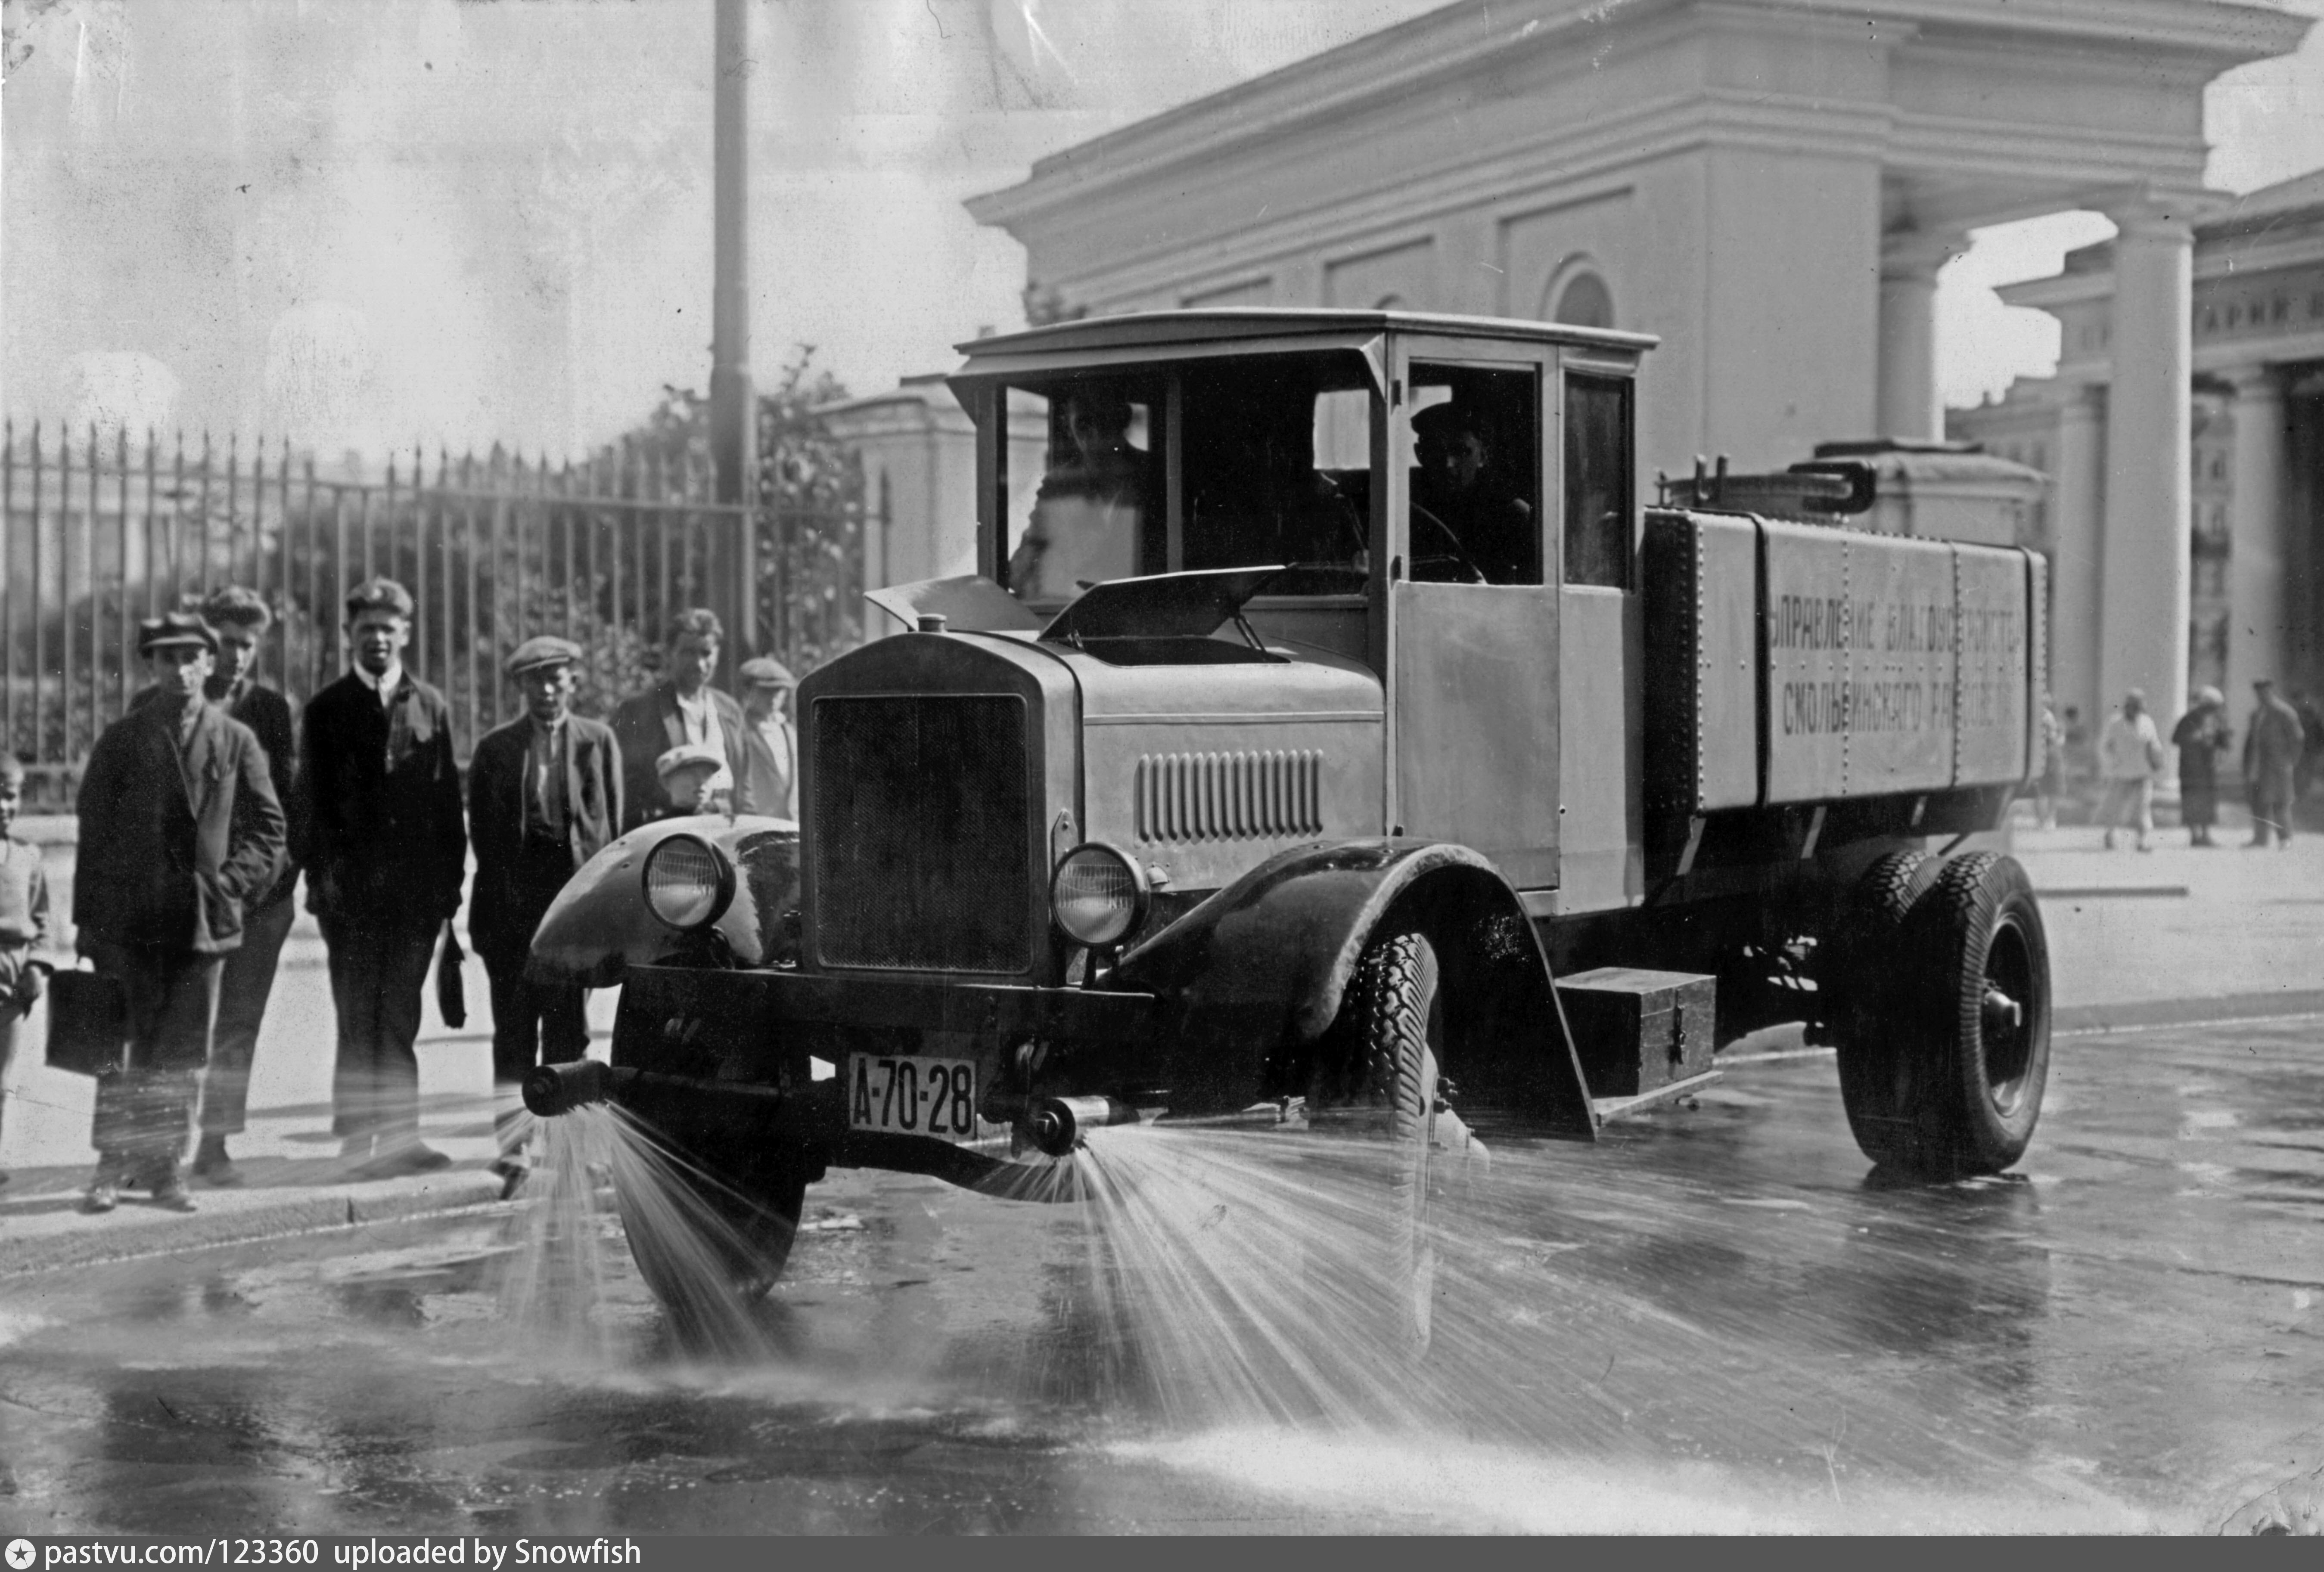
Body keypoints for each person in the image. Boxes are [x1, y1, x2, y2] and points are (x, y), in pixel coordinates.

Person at [73, 612, 286, 1213]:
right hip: (129, 924)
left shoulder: (236, 739)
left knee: (182, 1051)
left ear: (209, 663)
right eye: (167, 657)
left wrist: (229, 885)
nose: (181, 668)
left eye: (192, 656)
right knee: (122, 1050)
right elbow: (94, 830)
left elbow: (270, 829)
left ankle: (167, 1170)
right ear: (151, 665)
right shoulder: (123, 738)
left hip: (201, 924)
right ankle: (112, 1168)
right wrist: (89, 923)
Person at [297, 578, 468, 1176]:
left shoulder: (431, 706)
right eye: (366, 627)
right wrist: (322, 882)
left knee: (399, 1015)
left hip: (416, 899)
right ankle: (357, 1141)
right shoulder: (327, 709)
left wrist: (449, 889)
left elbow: (450, 805)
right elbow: (311, 806)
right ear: (350, 635)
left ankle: (401, 1137)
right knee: (355, 1015)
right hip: (350, 898)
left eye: (387, 628)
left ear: (406, 634)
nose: (377, 638)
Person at [469, 636, 621, 1196]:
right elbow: (484, 839)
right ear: (521, 687)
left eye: (557, 676)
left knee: (569, 1037)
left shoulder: (597, 741)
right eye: (536, 679)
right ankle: (512, 1155)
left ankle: (571, 1154)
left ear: (573, 681)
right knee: (513, 1037)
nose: (548, 687)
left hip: (572, 913)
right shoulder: (496, 748)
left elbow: (611, 829)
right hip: (512, 916)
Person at [186, 586, 300, 1186]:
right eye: (227, 643)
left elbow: (284, 802)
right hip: (190, 894)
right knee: (178, 1017)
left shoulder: (271, 709)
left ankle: (214, 1142)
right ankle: (153, 1147)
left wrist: (275, 879)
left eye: (247, 646)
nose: (236, 657)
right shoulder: (169, 702)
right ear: (207, 643)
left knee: (238, 1021)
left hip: (258, 895)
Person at [611, 609, 754, 834]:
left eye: (706, 653)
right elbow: (626, 790)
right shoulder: (640, 710)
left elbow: (745, 786)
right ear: (670, 654)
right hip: (667, 838)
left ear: (717, 654)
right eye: (688, 653)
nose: (699, 664)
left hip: (725, 832)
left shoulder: (730, 710)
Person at [1008, 388, 1150, 600]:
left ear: (1123, 419)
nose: (1094, 431)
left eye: (1103, 420)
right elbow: (1023, 568)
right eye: (1084, 423)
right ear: (1070, 427)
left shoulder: (1154, 474)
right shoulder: (1059, 486)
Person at [1410, 401, 1534, 584]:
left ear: (1483, 456)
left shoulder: (1512, 516)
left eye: (1461, 452)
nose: (1448, 464)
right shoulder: (1403, 508)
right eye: (1436, 451)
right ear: (1420, 454)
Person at [0, 754, 51, 1190]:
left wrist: (37, 965)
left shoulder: (28, 857)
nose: (2, 804)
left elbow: (43, 921)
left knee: (4, 1077)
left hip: (12, 985)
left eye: (10, 795)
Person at [2096, 689, 2162, 853]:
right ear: (2127, 706)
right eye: (2132, 706)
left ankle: (2142, 841)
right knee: (2115, 807)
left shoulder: (2147, 722)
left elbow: (2154, 744)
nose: (2134, 710)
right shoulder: (2115, 723)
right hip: (2121, 773)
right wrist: (2112, 764)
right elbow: (2104, 746)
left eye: (2138, 707)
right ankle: (2111, 835)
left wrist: (2157, 762)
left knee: (2143, 808)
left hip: (2143, 772)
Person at [2244, 677, 2305, 849]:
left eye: (2265, 691)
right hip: (2258, 766)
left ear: (2271, 691)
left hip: (2278, 766)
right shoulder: (2257, 714)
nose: (2262, 695)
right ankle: (2260, 839)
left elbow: (2297, 738)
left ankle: (2285, 839)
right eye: (2259, 692)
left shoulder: (2284, 712)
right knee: (2259, 802)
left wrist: (2291, 761)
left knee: (2281, 802)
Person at [736, 655, 798, 820]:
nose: (774, 697)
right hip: (756, 824)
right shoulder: (738, 730)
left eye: (779, 691)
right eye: (766, 691)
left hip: (791, 824)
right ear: (747, 691)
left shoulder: (789, 731)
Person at [2170, 687, 2231, 848]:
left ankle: (2205, 835)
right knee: (2190, 802)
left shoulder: (2216, 720)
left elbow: (2223, 741)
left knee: (2207, 802)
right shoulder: (2189, 719)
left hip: (2207, 770)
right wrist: (2194, 738)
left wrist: (2222, 747)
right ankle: (2194, 836)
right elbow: (2176, 739)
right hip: (2190, 770)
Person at [654, 742, 728, 818]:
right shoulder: (656, 827)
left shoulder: (727, 818)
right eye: (691, 774)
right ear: (666, 783)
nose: (701, 781)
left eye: (707, 774)